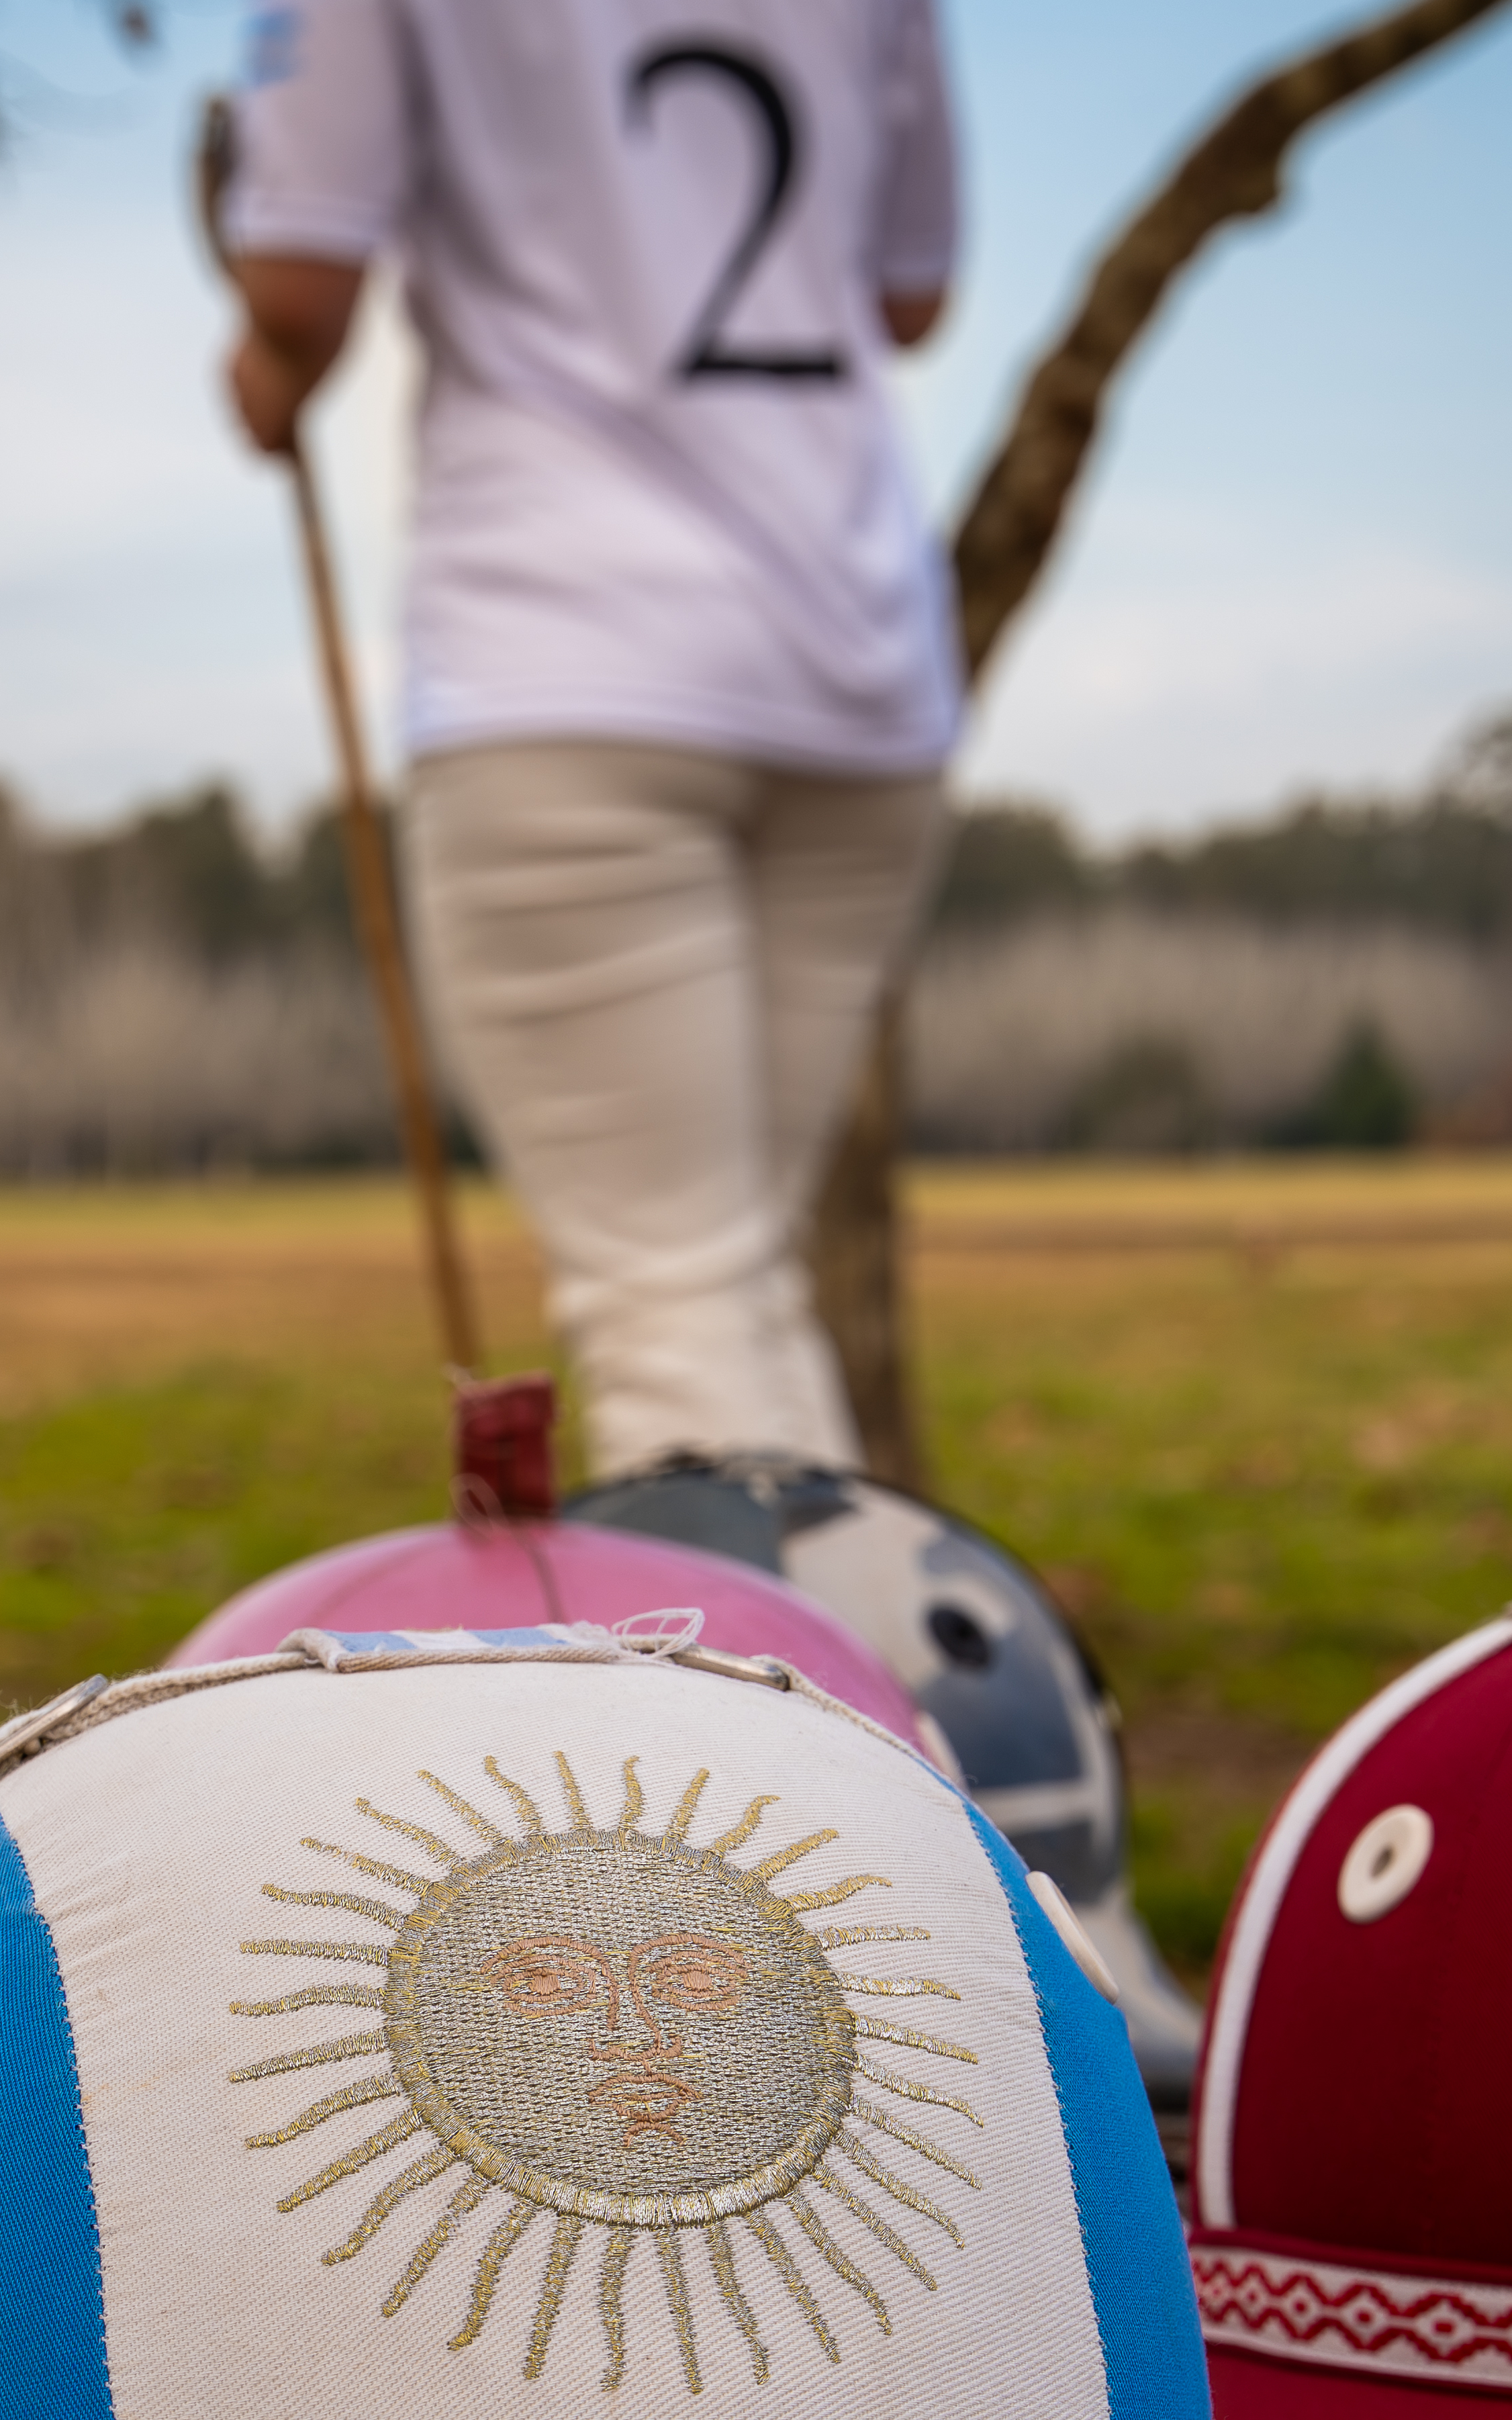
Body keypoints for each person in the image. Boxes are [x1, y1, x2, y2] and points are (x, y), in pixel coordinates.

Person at [222, 0, 961, 1481]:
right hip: (855, 661)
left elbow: (300, 288)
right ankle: (841, 1636)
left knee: (672, 1300)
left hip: (571, 655)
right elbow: (910, 293)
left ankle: (732, 1642)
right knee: (733, 1282)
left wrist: (261, 375)